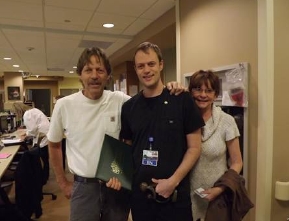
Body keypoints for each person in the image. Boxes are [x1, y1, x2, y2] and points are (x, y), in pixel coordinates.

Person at [47, 46, 185, 221]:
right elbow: (54, 144)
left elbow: (150, 98)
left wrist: (171, 87)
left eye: (100, 70)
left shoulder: (120, 101)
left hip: (117, 187)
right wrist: (63, 183)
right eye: (88, 70)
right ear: (80, 75)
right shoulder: (64, 105)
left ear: (107, 75)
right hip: (83, 188)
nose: (94, 76)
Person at [120, 42, 204, 221]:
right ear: (135, 69)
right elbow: (127, 148)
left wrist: (172, 181)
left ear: (161, 64)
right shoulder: (129, 107)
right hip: (141, 196)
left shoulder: (182, 100)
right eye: (141, 66)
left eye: (151, 64)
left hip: (175, 195)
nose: (146, 70)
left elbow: (195, 148)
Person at [188, 70, 243, 221]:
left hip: (217, 197)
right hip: (187, 196)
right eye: (198, 89)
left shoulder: (227, 122)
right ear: (191, 91)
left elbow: (237, 162)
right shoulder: (184, 119)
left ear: (216, 94)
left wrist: (219, 189)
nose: (203, 95)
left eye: (209, 90)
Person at [21, 107, 51, 183]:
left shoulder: (27, 114)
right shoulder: (33, 111)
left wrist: (26, 134)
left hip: (41, 136)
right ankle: (45, 177)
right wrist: (28, 133)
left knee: (40, 158)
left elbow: (32, 129)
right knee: (45, 159)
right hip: (45, 134)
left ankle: (41, 179)